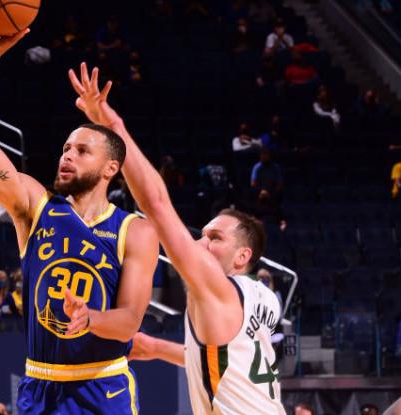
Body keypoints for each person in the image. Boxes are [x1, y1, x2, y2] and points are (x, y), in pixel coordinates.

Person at [0, 30, 158, 414]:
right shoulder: (35, 207)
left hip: (102, 386)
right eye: (66, 148)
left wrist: (89, 318)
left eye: (82, 151)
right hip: (40, 384)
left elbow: (129, 321)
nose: (67, 155)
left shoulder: (134, 231)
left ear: (110, 168)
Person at [69, 62, 285, 413]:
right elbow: (229, 360)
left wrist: (112, 125)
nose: (201, 243)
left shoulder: (218, 289)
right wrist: (156, 348)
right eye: (203, 235)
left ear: (243, 256)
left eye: (215, 238)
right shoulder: (265, 298)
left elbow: (155, 205)